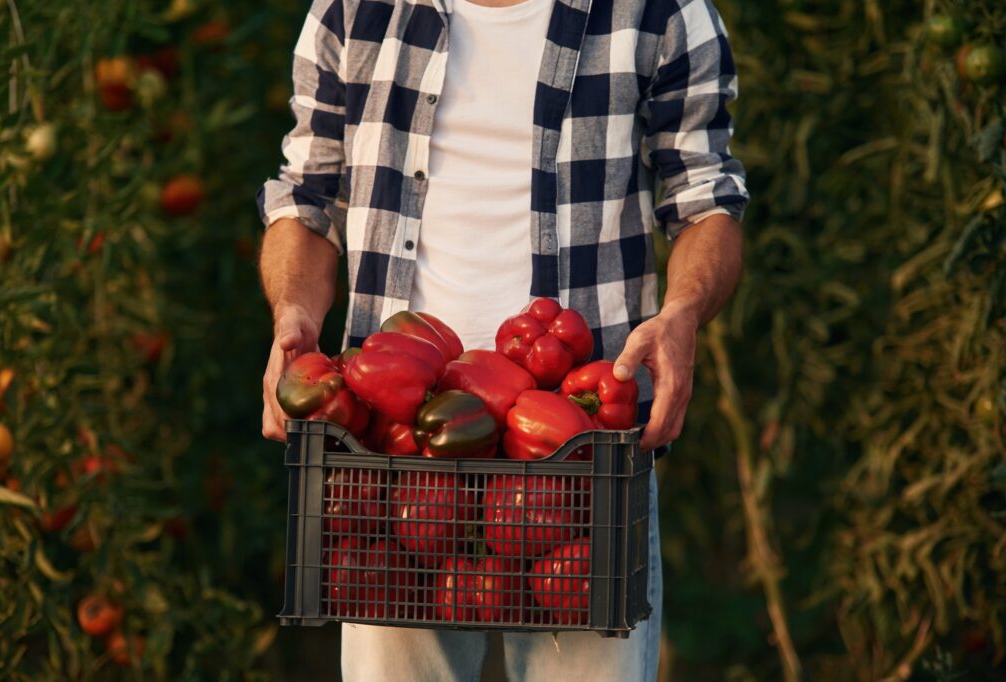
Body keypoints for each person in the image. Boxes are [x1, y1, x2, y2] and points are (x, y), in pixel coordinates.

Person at [257, 0, 747, 679]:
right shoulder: (353, 10)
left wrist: (684, 313)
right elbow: (304, 201)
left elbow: (706, 196)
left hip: (582, 454)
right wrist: (294, 318)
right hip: (393, 447)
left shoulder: (659, 12)